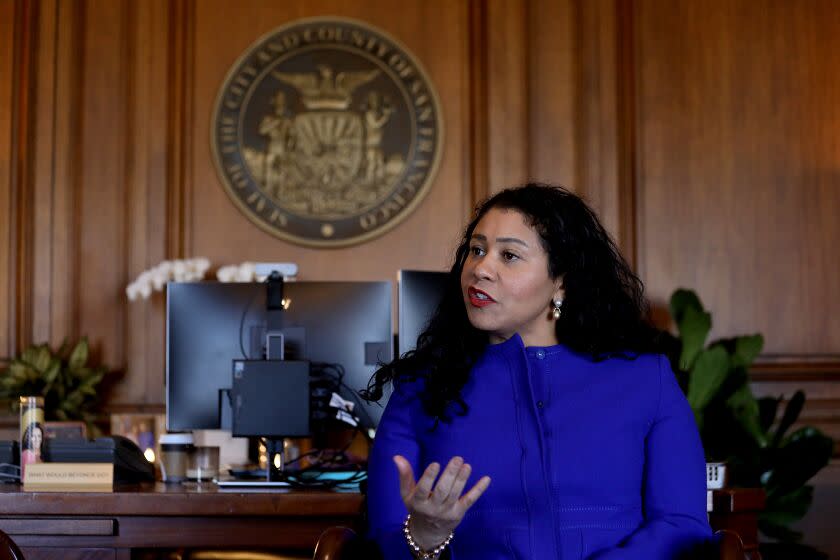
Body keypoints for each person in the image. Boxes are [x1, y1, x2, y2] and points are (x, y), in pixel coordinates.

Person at [363, 184, 712, 559]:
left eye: (509, 255)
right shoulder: (420, 388)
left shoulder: (645, 379)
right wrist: (425, 535)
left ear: (561, 279)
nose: (481, 268)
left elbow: (681, 524)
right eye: (476, 250)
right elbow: (385, 540)